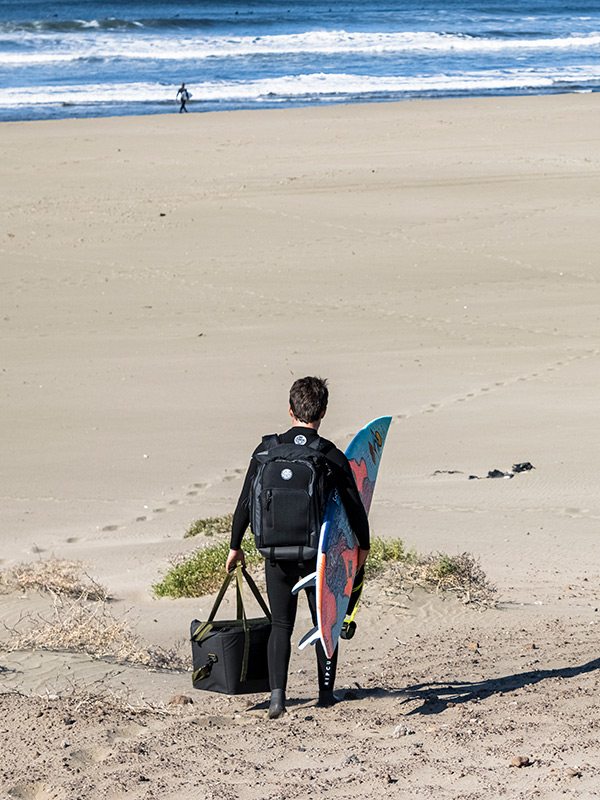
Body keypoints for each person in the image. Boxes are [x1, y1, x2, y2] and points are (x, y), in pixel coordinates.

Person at [225, 376, 370, 719]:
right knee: (325, 621)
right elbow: (354, 507)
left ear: (290, 409)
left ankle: (278, 698)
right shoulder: (329, 455)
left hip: (275, 553)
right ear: (323, 412)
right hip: (315, 554)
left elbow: (245, 502)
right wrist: (361, 548)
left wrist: (235, 546)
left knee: (281, 625)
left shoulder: (265, 451)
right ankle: (325, 694)